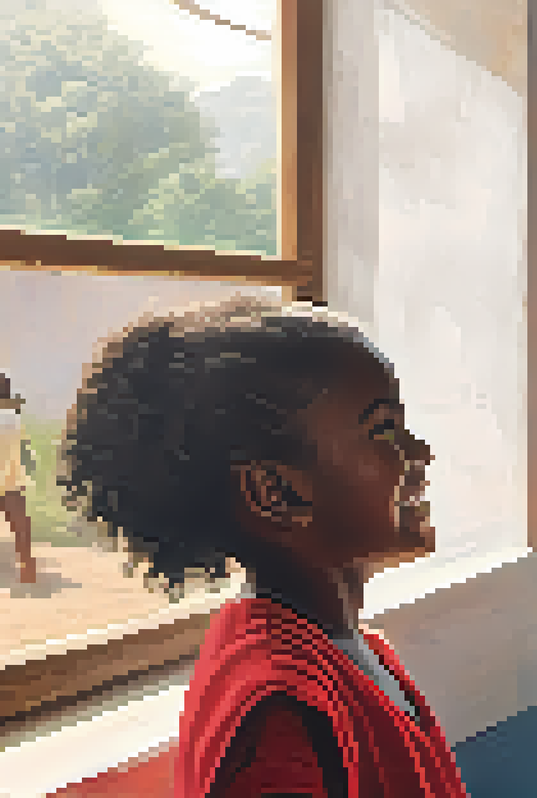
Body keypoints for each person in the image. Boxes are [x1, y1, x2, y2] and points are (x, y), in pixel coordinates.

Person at [58, 296, 469, 798]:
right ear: (277, 492)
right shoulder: (278, 718)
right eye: (382, 430)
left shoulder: (345, 649)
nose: (421, 453)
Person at [0, 373, 37, 585]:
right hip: (11, 483)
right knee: (21, 529)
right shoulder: (15, 419)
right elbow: (25, 450)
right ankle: (27, 569)